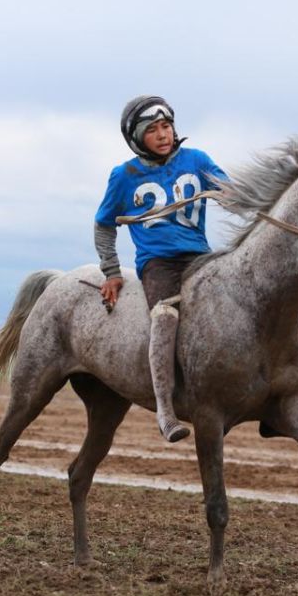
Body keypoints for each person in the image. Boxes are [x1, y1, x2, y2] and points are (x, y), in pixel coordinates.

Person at [94, 95, 228, 442]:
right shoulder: (124, 176)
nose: (162, 134)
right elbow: (104, 225)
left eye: (166, 126)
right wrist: (111, 271)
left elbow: (232, 192)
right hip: (158, 265)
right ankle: (166, 411)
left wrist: (237, 195)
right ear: (137, 137)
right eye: (152, 130)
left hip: (201, 257)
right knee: (165, 316)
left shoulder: (197, 160)